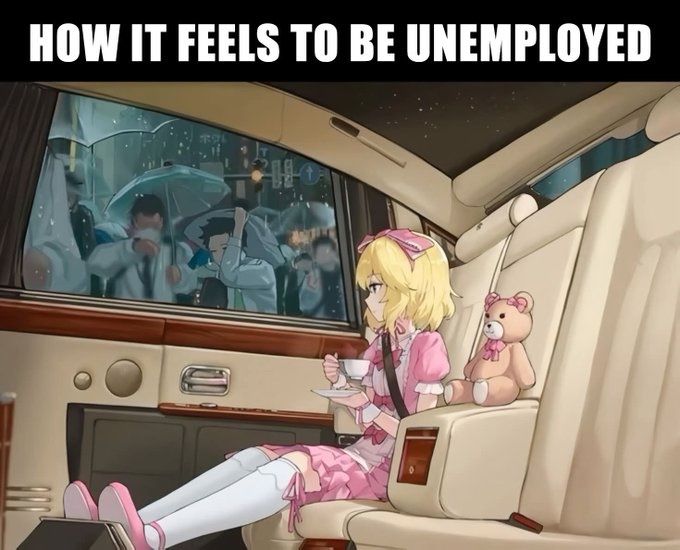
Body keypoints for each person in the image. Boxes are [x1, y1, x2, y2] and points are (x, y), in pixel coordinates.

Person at [62, 228, 457, 550]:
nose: (368, 297)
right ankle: (134, 523)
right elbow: (370, 413)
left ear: (408, 288)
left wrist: (365, 407)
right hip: (360, 455)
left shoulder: (427, 348)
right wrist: (342, 385)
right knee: (255, 456)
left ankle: (153, 538)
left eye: (376, 286)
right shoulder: (382, 345)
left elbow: (419, 436)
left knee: (293, 466)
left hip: (386, 475)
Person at [86, 194, 197, 303]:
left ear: (161, 222)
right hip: (126, 311)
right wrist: (133, 247)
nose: (149, 233)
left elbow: (191, 281)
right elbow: (94, 262)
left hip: (160, 312)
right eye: (144, 227)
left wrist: (180, 275)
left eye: (154, 227)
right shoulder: (122, 249)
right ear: (134, 223)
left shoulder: (177, 251)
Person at [197, 206, 277, 314]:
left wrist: (238, 229)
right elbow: (194, 276)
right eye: (214, 251)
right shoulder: (218, 271)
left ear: (238, 245)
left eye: (225, 248)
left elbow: (231, 275)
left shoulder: (263, 269)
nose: (219, 255)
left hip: (258, 324)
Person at [299, 235, 346, 320]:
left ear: (334, 253)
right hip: (321, 322)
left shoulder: (346, 274)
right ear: (315, 256)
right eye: (320, 253)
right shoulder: (312, 276)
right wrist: (312, 291)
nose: (324, 256)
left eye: (326, 252)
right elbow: (304, 305)